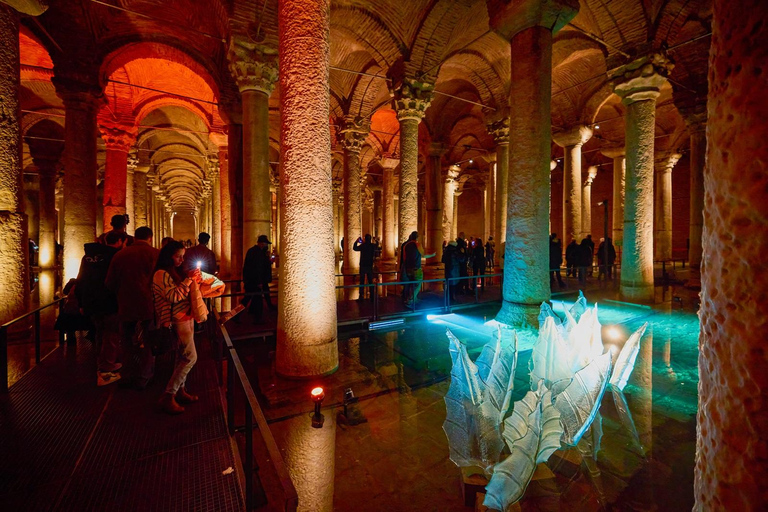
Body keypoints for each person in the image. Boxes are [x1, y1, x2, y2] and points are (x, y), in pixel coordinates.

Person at [105, 226, 159, 390]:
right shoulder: (156, 254)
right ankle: (145, 375)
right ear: (150, 237)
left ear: (134, 237)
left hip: (126, 303)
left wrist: (122, 293)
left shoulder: (120, 255)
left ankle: (127, 373)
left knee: (126, 340)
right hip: (150, 304)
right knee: (149, 339)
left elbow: (109, 282)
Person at [152, 241, 201, 415]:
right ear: (168, 256)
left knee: (181, 356)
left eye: (183, 256)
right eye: (178, 256)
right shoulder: (160, 274)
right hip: (176, 320)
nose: (181, 259)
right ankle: (168, 394)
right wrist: (188, 280)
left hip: (186, 318)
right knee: (190, 357)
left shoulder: (173, 273)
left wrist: (191, 279)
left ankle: (181, 390)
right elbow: (173, 296)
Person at [75, 231, 123, 386]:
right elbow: (116, 281)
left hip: (91, 302)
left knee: (100, 333)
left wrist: (81, 303)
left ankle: (102, 363)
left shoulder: (87, 257)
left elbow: (80, 280)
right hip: (109, 301)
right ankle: (105, 372)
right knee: (112, 335)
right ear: (120, 241)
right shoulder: (115, 256)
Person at [242, 234, 275, 322]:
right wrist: (259, 282)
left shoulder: (252, 251)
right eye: (266, 244)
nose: (266, 246)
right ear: (261, 243)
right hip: (255, 281)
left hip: (251, 280)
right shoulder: (258, 253)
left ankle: (237, 315)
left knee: (248, 299)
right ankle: (257, 320)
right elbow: (257, 268)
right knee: (256, 300)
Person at [399, 231, 435, 307]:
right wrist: (432, 255)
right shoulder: (417, 244)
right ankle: (410, 300)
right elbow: (424, 255)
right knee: (417, 284)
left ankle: (414, 299)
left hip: (408, 268)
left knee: (411, 284)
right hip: (416, 268)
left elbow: (404, 258)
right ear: (417, 237)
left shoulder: (406, 245)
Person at [353, 234, 376, 299]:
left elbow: (355, 248)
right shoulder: (372, 246)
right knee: (370, 280)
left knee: (362, 280)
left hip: (363, 265)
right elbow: (377, 246)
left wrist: (356, 242)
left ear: (365, 239)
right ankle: (372, 292)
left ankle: (361, 293)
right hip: (369, 265)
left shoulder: (363, 246)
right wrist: (375, 240)